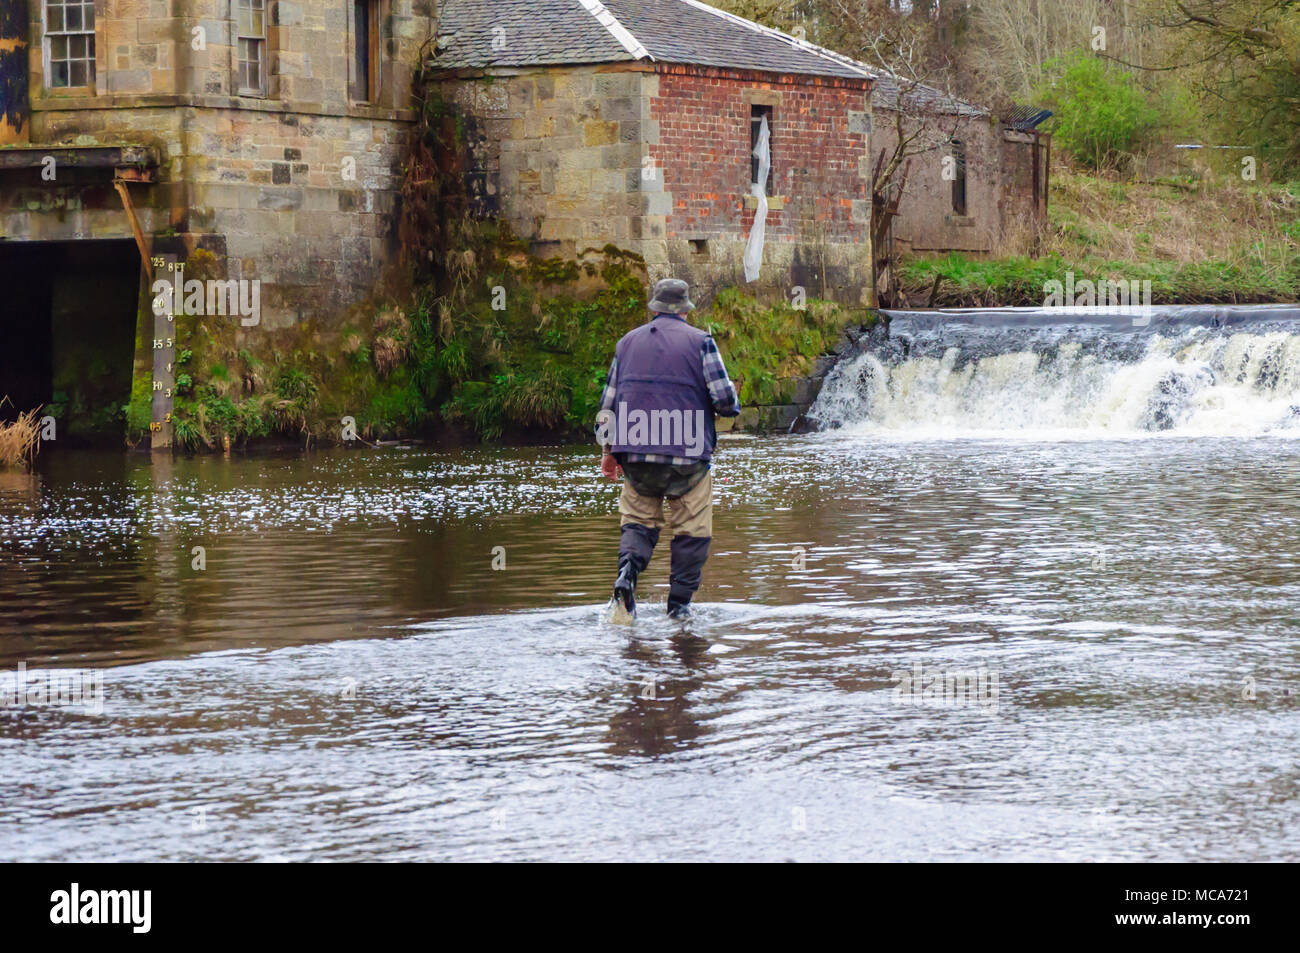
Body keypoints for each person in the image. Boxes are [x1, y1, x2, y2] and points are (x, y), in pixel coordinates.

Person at [596, 278, 742, 621]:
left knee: (637, 521)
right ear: (687, 310)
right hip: (687, 456)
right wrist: (727, 406)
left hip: (634, 454)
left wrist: (608, 451)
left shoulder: (625, 344)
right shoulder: (701, 342)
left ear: (654, 309)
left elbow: (608, 405)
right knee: (693, 528)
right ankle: (678, 609)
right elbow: (724, 401)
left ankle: (626, 577)